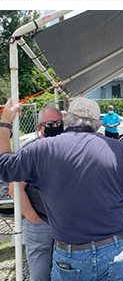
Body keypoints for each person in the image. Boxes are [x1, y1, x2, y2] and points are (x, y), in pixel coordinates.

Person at [0, 97, 123, 281]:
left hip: (72, 253)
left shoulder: (42, 149)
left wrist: (5, 123)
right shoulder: (119, 149)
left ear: (67, 120)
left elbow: (4, 167)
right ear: (98, 124)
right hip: (114, 248)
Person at [13, 105, 62, 281]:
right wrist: (34, 218)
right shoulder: (30, 151)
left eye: (59, 123)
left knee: (64, 272)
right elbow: (16, 189)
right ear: (40, 126)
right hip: (40, 222)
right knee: (40, 274)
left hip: (65, 223)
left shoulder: (67, 147)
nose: (55, 126)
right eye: (50, 123)